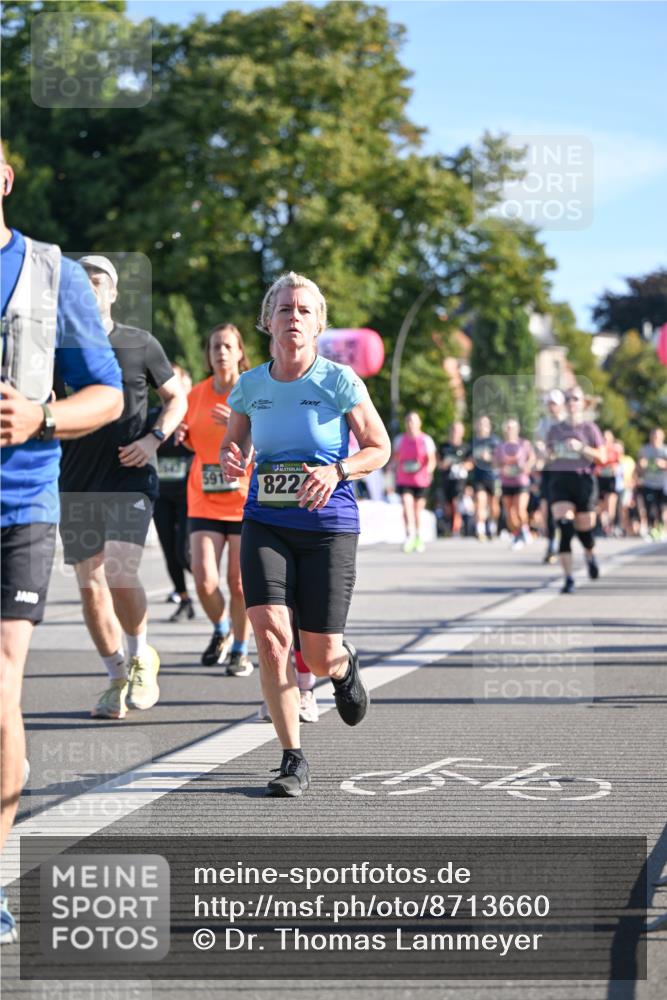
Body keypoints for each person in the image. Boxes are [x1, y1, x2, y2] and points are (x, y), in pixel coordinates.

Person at [0, 144, 124, 944]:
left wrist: (42, 416)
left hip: (19, 508)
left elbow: (107, 394)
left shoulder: (52, 273)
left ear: (5, 177)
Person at [220, 271, 391, 797]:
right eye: (284, 309)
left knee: (315, 654)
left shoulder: (338, 381)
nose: (293, 317)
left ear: (318, 323)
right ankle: (292, 757)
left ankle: (341, 668)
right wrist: (233, 458)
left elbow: (378, 447)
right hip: (266, 520)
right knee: (271, 638)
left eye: (303, 310)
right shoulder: (249, 385)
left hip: (328, 526)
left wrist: (337, 470)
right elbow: (236, 449)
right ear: (268, 320)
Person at [58, 256, 187, 720]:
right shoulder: (58, 347)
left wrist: (154, 439)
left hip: (131, 476)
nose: (90, 289)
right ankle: (115, 677)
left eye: (99, 282)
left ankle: (140, 656)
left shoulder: (140, 343)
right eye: (82, 282)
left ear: (113, 292)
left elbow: (177, 397)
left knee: (118, 571)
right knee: (90, 587)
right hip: (75, 479)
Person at [179, 324, 254, 674]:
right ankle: (221, 629)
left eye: (227, 346)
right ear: (208, 356)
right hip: (204, 498)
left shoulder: (252, 391)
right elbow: (191, 437)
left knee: (239, 583)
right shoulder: (195, 395)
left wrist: (241, 425)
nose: (220, 352)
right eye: (214, 347)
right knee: (204, 579)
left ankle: (241, 647)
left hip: (243, 501)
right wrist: (180, 432)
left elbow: (268, 441)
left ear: (240, 352)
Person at [545, 387, 606, 594]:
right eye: (568, 398)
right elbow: (547, 456)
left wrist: (581, 448)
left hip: (584, 481)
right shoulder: (555, 430)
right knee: (565, 527)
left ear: (583, 403)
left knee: (585, 531)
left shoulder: (590, 429)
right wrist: (546, 455)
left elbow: (603, 458)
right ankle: (569, 578)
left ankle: (590, 556)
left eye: (575, 398)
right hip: (560, 481)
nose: (571, 402)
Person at [150, 365, 195, 621]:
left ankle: (207, 585)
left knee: (184, 551)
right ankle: (184, 599)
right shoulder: (155, 416)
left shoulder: (195, 415)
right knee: (169, 550)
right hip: (163, 493)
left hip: (191, 493)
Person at [393, 411, 437, 552]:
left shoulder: (426, 440)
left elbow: (432, 460)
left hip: (421, 480)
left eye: (413, 421)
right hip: (404, 478)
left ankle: (418, 536)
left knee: (417, 510)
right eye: (408, 421)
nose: (411, 424)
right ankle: (409, 535)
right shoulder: (400, 440)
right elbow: (396, 458)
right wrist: (395, 468)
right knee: (407, 505)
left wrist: (428, 471)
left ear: (419, 423)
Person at [493, 418, 535, 549]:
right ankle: (517, 533)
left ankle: (525, 529)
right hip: (506, 482)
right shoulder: (500, 446)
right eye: (507, 428)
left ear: (517, 430)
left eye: (512, 428)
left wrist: (526, 466)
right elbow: (495, 463)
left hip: (521, 482)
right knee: (510, 514)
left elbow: (532, 458)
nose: (509, 430)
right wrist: (501, 468)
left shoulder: (524, 444)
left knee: (520, 510)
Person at [534, 389, 565, 563]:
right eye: (549, 403)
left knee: (562, 509)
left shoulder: (566, 423)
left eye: (554, 403)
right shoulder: (543, 423)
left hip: (565, 471)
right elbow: (539, 442)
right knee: (547, 508)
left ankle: (564, 541)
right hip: (548, 470)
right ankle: (551, 544)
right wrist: (541, 451)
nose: (551, 406)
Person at [437, 421, 471, 536]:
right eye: (454, 430)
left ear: (462, 432)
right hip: (446, 479)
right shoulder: (444, 447)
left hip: (459, 481)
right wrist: (444, 464)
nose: (455, 433)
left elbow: (471, 463)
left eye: (458, 430)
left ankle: (456, 528)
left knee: (456, 503)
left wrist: (462, 466)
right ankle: (451, 525)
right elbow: (438, 463)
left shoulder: (466, 447)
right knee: (448, 506)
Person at [471, 415, 501, 540]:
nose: (482, 427)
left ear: (489, 427)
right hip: (479, 477)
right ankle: (480, 529)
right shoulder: (473, 441)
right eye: (479, 424)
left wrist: (489, 458)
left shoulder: (494, 441)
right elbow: (467, 458)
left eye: (484, 424)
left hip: (493, 476)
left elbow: (501, 459)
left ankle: (493, 525)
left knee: (493, 505)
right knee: (480, 501)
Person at [636, 427, 667, 541]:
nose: (655, 439)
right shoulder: (644, 450)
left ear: (662, 437)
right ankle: (652, 530)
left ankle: (662, 530)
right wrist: (641, 466)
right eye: (653, 436)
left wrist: (663, 464)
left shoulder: (665, 450)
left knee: (661, 509)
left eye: (657, 436)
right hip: (648, 483)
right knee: (649, 509)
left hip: (662, 484)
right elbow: (638, 467)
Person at [595, 430, 621, 536]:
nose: (605, 440)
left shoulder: (615, 449)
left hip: (610, 478)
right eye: (603, 438)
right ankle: (602, 526)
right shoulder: (598, 449)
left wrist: (613, 467)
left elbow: (618, 463)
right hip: (599, 479)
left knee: (610, 503)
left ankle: (611, 525)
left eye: (607, 438)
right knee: (600, 505)